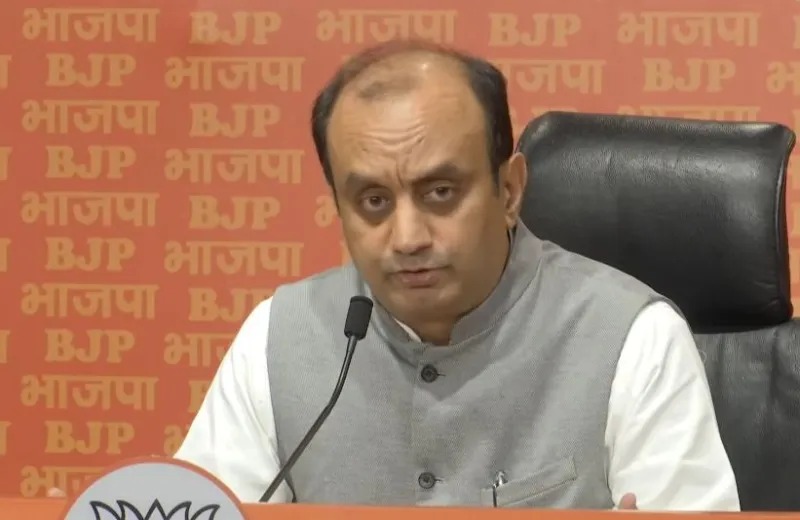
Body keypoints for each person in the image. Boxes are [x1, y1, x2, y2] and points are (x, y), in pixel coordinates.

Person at [173, 40, 740, 510]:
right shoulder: (276, 339)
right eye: (373, 201)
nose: (407, 237)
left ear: (509, 191)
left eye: (440, 192)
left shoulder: (634, 339)